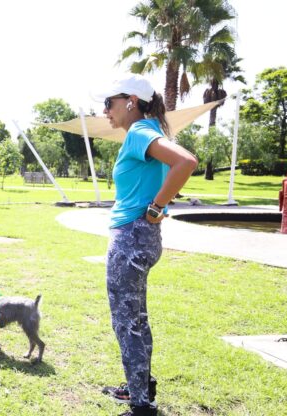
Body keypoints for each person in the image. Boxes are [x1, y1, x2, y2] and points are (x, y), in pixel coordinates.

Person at [95, 75, 198, 416]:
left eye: (109, 102)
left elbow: (186, 162)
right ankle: (140, 387)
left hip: (132, 237)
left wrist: (156, 207)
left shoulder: (140, 131)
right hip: (142, 238)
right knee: (136, 319)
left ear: (131, 101)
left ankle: (141, 406)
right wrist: (154, 209)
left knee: (127, 322)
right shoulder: (148, 129)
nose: (105, 110)